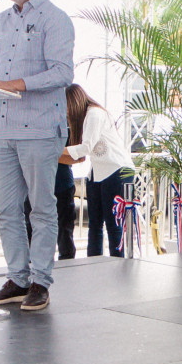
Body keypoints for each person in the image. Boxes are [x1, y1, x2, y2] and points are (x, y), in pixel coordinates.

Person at [0, 0, 74, 312]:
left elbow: (62, 72)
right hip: (2, 130)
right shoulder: (0, 21)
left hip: (40, 130)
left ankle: (40, 282)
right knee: (6, 210)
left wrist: (16, 84)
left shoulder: (55, 19)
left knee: (41, 210)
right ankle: (18, 279)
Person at [65, 85, 134, 257]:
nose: (65, 112)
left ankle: (117, 266)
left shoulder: (94, 114)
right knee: (95, 224)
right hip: (98, 172)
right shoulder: (87, 116)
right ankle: (94, 265)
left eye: (65, 106)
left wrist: (55, 150)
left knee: (113, 224)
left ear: (73, 103)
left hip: (116, 170)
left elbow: (86, 147)